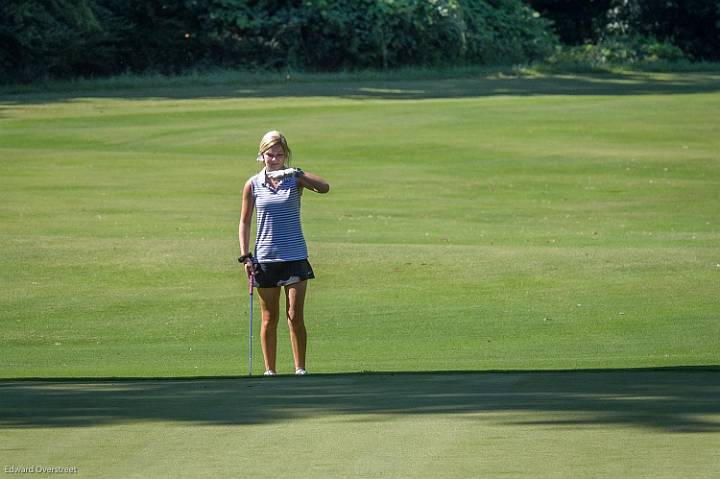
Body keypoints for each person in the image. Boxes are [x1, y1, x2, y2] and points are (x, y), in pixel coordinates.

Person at [238, 130, 330, 376]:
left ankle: (300, 369)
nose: (275, 159)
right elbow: (245, 221)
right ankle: (270, 371)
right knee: (269, 318)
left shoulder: (295, 180)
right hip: (265, 258)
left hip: (295, 256)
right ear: (262, 155)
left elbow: (324, 188)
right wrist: (246, 256)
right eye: (270, 154)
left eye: (280, 155)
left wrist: (298, 173)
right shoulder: (253, 184)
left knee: (295, 315)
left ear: (285, 155)